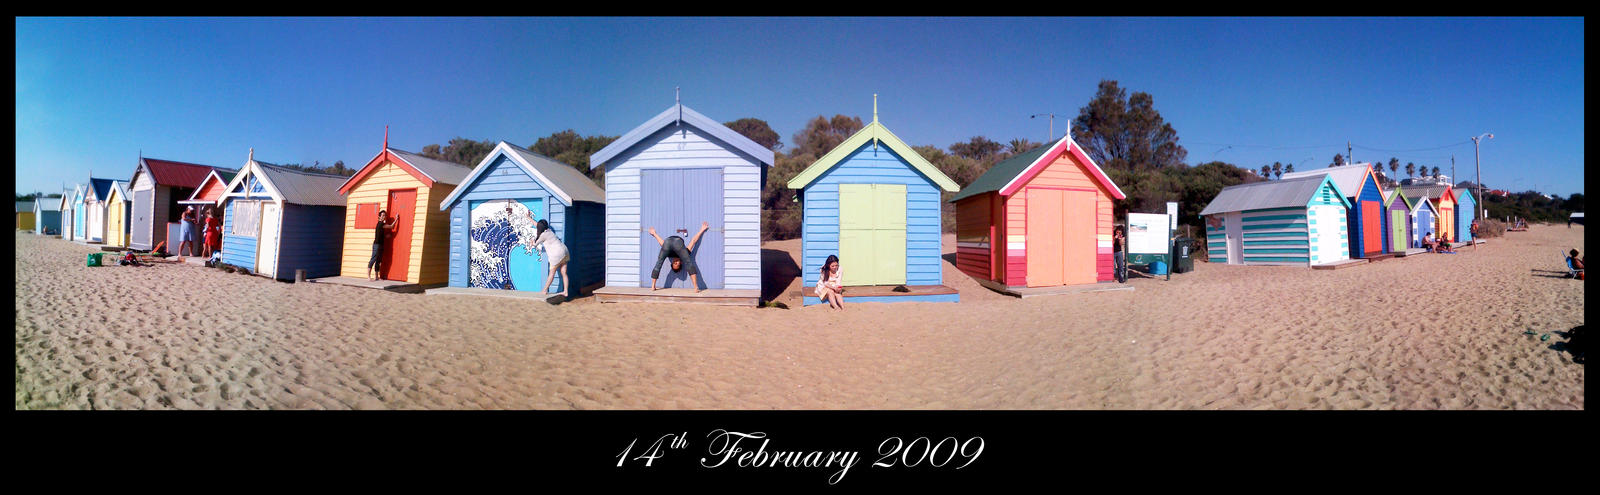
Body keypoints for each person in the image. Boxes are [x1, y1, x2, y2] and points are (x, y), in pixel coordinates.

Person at [647, 221, 710, 292]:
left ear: (672, 263)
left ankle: (653, 286)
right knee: (689, 263)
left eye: (674, 263)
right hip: (677, 243)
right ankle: (696, 287)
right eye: (677, 264)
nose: (675, 262)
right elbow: (693, 241)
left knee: (659, 263)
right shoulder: (685, 253)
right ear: (681, 263)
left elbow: (662, 244)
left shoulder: (669, 254)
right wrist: (702, 230)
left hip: (668, 241)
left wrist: (654, 234)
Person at [527, 216, 569, 294]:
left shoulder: (543, 235)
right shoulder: (549, 230)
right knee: (564, 272)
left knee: (551, 273)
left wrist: (532, 241)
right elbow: (537, 225)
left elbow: (535, 245)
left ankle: (545, 290)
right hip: (565, 251)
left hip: (557, 255)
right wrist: (529, 218)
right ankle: (566, 291)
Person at [367, 209, 399, 281]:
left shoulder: (381, 224)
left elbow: (379, 234)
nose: (384, 216)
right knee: (373, 259)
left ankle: (376, 277)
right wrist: (396, 219)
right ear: (379, 217)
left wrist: (385, 236)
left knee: (378, 260)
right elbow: (391, 226)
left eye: (385, 215)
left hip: (381, 244)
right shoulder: (380, 223)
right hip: (377, 245)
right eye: (383, 215)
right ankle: (368, 276)